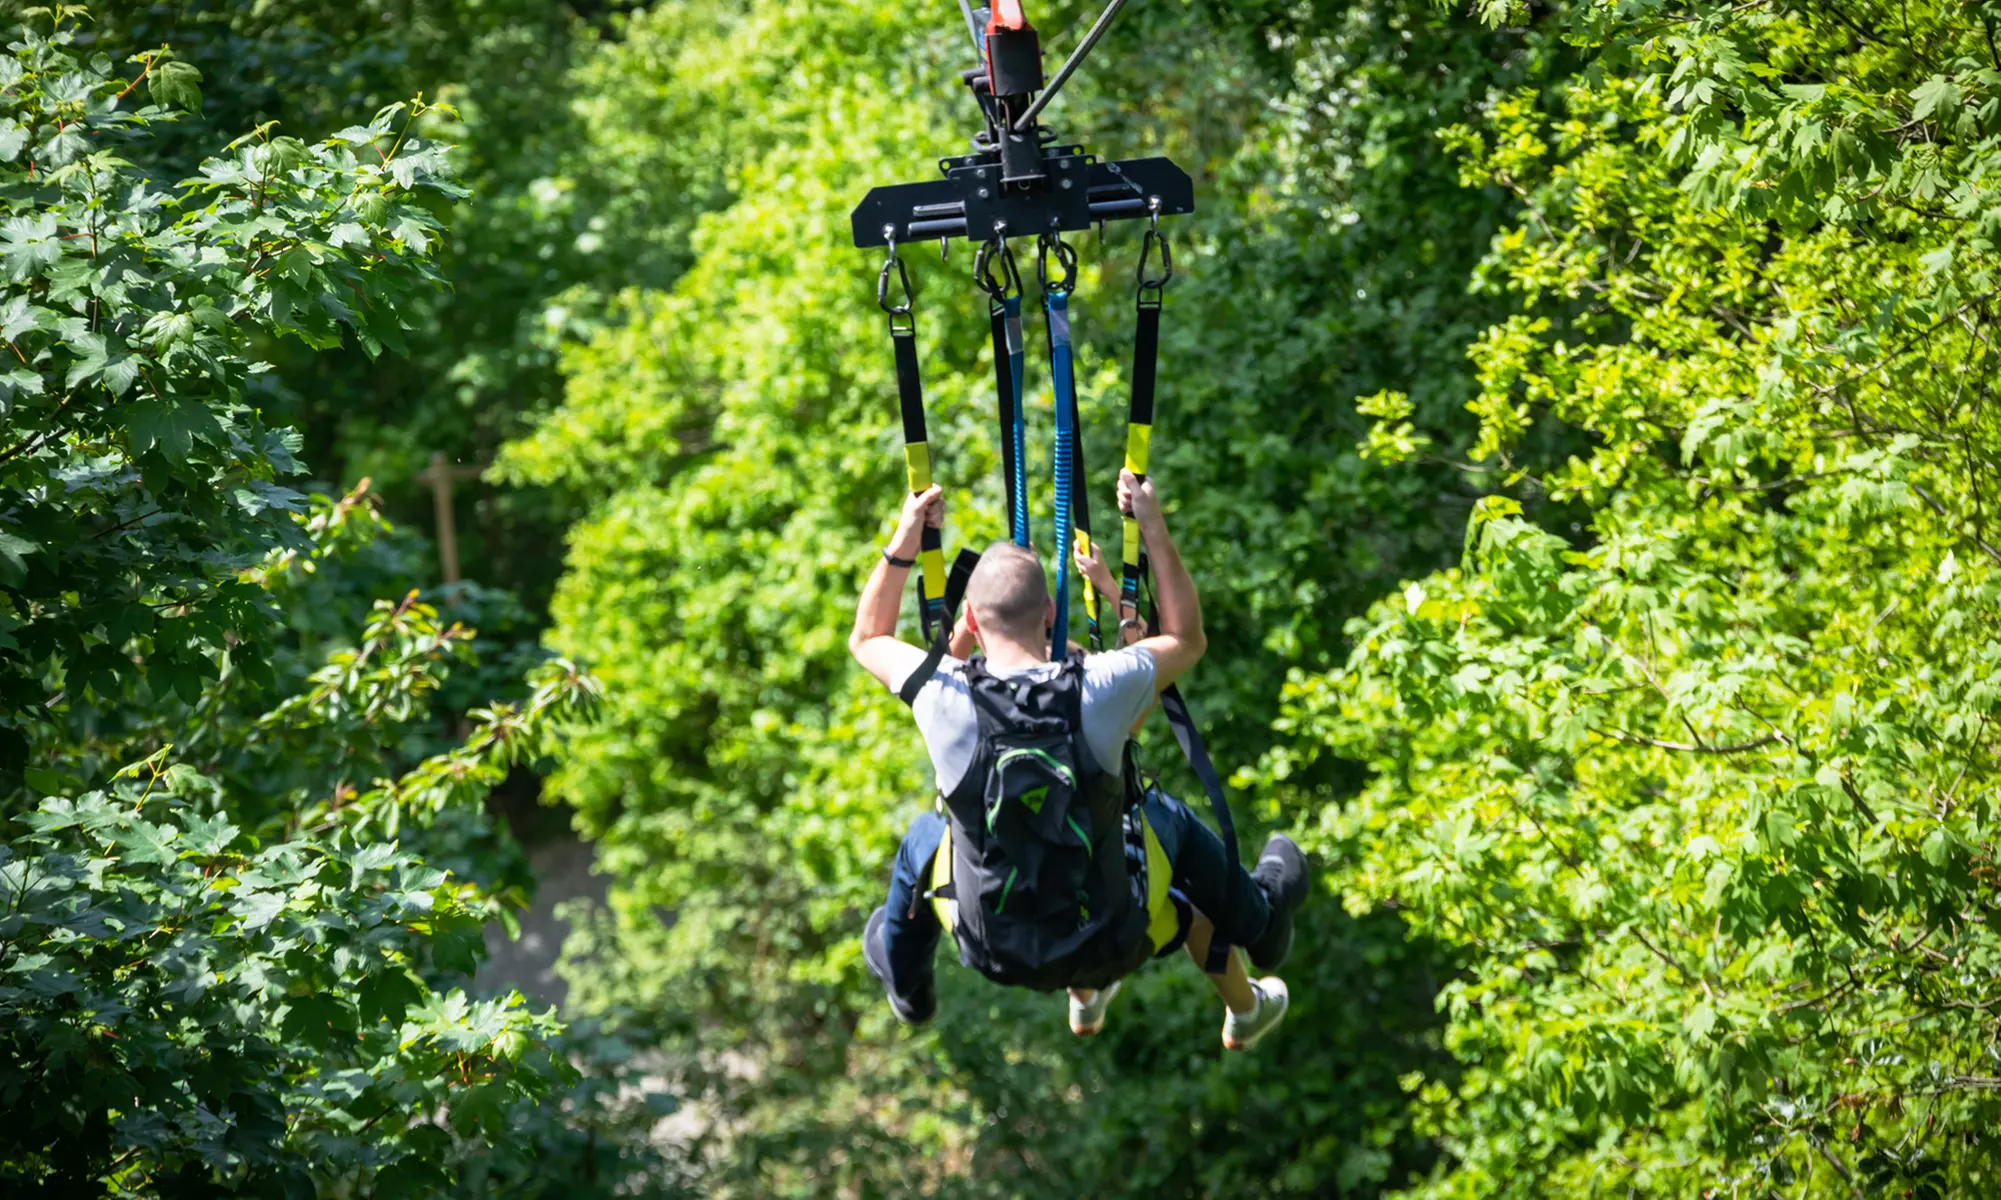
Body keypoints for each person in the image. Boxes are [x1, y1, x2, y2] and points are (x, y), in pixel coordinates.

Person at [848, 468, 1309, 1050]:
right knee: (1164, 817)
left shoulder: (942, 694)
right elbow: (1188, 638)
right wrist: (1152, 527)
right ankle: (1260, 921)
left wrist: (906, 537)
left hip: (992, 949)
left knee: (922, 838)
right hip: (1109, 937)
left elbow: (867, 637)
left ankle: (909, 988)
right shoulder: (1099, 685)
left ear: (969, 620)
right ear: (1049, 611)